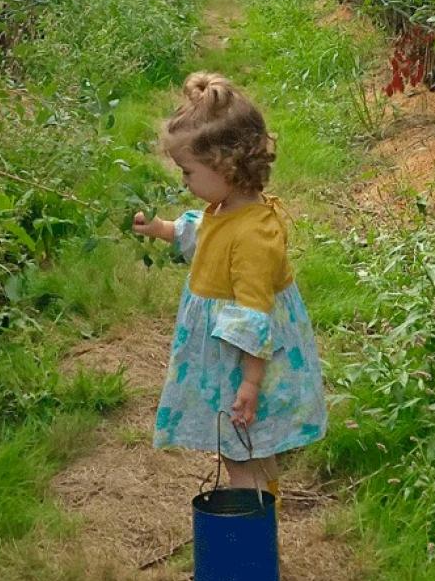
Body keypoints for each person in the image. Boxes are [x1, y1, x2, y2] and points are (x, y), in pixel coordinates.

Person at [131, 71, 327, 500]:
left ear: (226, 166)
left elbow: (253, 316)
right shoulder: (229, 209)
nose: (185, 181)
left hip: (243, 363)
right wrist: (162, 228)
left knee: (240, 451)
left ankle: (250, 546)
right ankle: (263, 518)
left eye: (188, 171)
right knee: (252, 447)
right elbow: (206, 235)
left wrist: (249, 386)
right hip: (233, 359)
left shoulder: (253, 235)